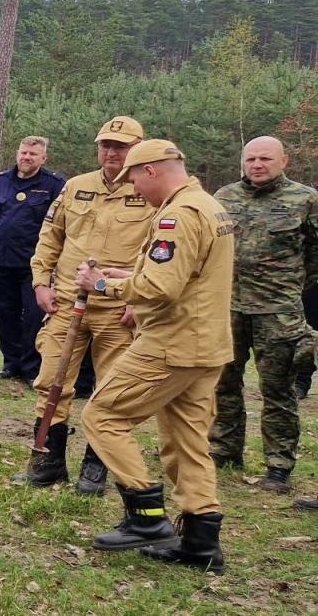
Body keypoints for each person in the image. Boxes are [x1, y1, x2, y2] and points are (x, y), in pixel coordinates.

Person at [75, 139, 232, 574]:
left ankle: (146, 516)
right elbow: (188, 274)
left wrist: (103, 287)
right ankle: (201, 542)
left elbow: (162, 289)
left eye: (134, 180)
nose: (135, 191)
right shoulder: (208, 205)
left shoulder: (176, 216)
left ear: (151, 171)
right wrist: (130, 273)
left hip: (172, 343)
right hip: (206, 344)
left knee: (102, 415)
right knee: (187, 441)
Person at [21, 116, 151, 492]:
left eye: (121, 146)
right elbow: (50, 237)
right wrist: (40, 283)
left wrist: (139, 301)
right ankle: (47, 459)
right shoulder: (75, 187)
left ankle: (97, 464)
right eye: (106, 145)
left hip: (119, 306)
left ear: (137, 151)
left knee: (112, 386)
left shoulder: (149, 190)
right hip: (65, 300)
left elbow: (159, 252)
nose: (112, 152)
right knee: (51, 381)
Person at [209, 136, 317, 492]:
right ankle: (225, 450)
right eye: (251, 158)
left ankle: (278, 465)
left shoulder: (305, 199)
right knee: (224, 384)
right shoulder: (224, 198)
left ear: (283, 161)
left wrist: (290, 285)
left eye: (265, 159)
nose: (257, 164)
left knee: (277, 390)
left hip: (278, 312)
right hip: (228, 308)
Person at [0, 137, 63, 384]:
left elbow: (61, 226)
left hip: (34, 265)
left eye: (33, 154)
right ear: (17, 154)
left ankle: (32, 368)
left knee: (34, 317)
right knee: (5, 314)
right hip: (0, 261)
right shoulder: (1, 182)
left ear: (43, 158)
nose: (27, 157)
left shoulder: (54, 185)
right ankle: (11, 364)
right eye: (24, 152)